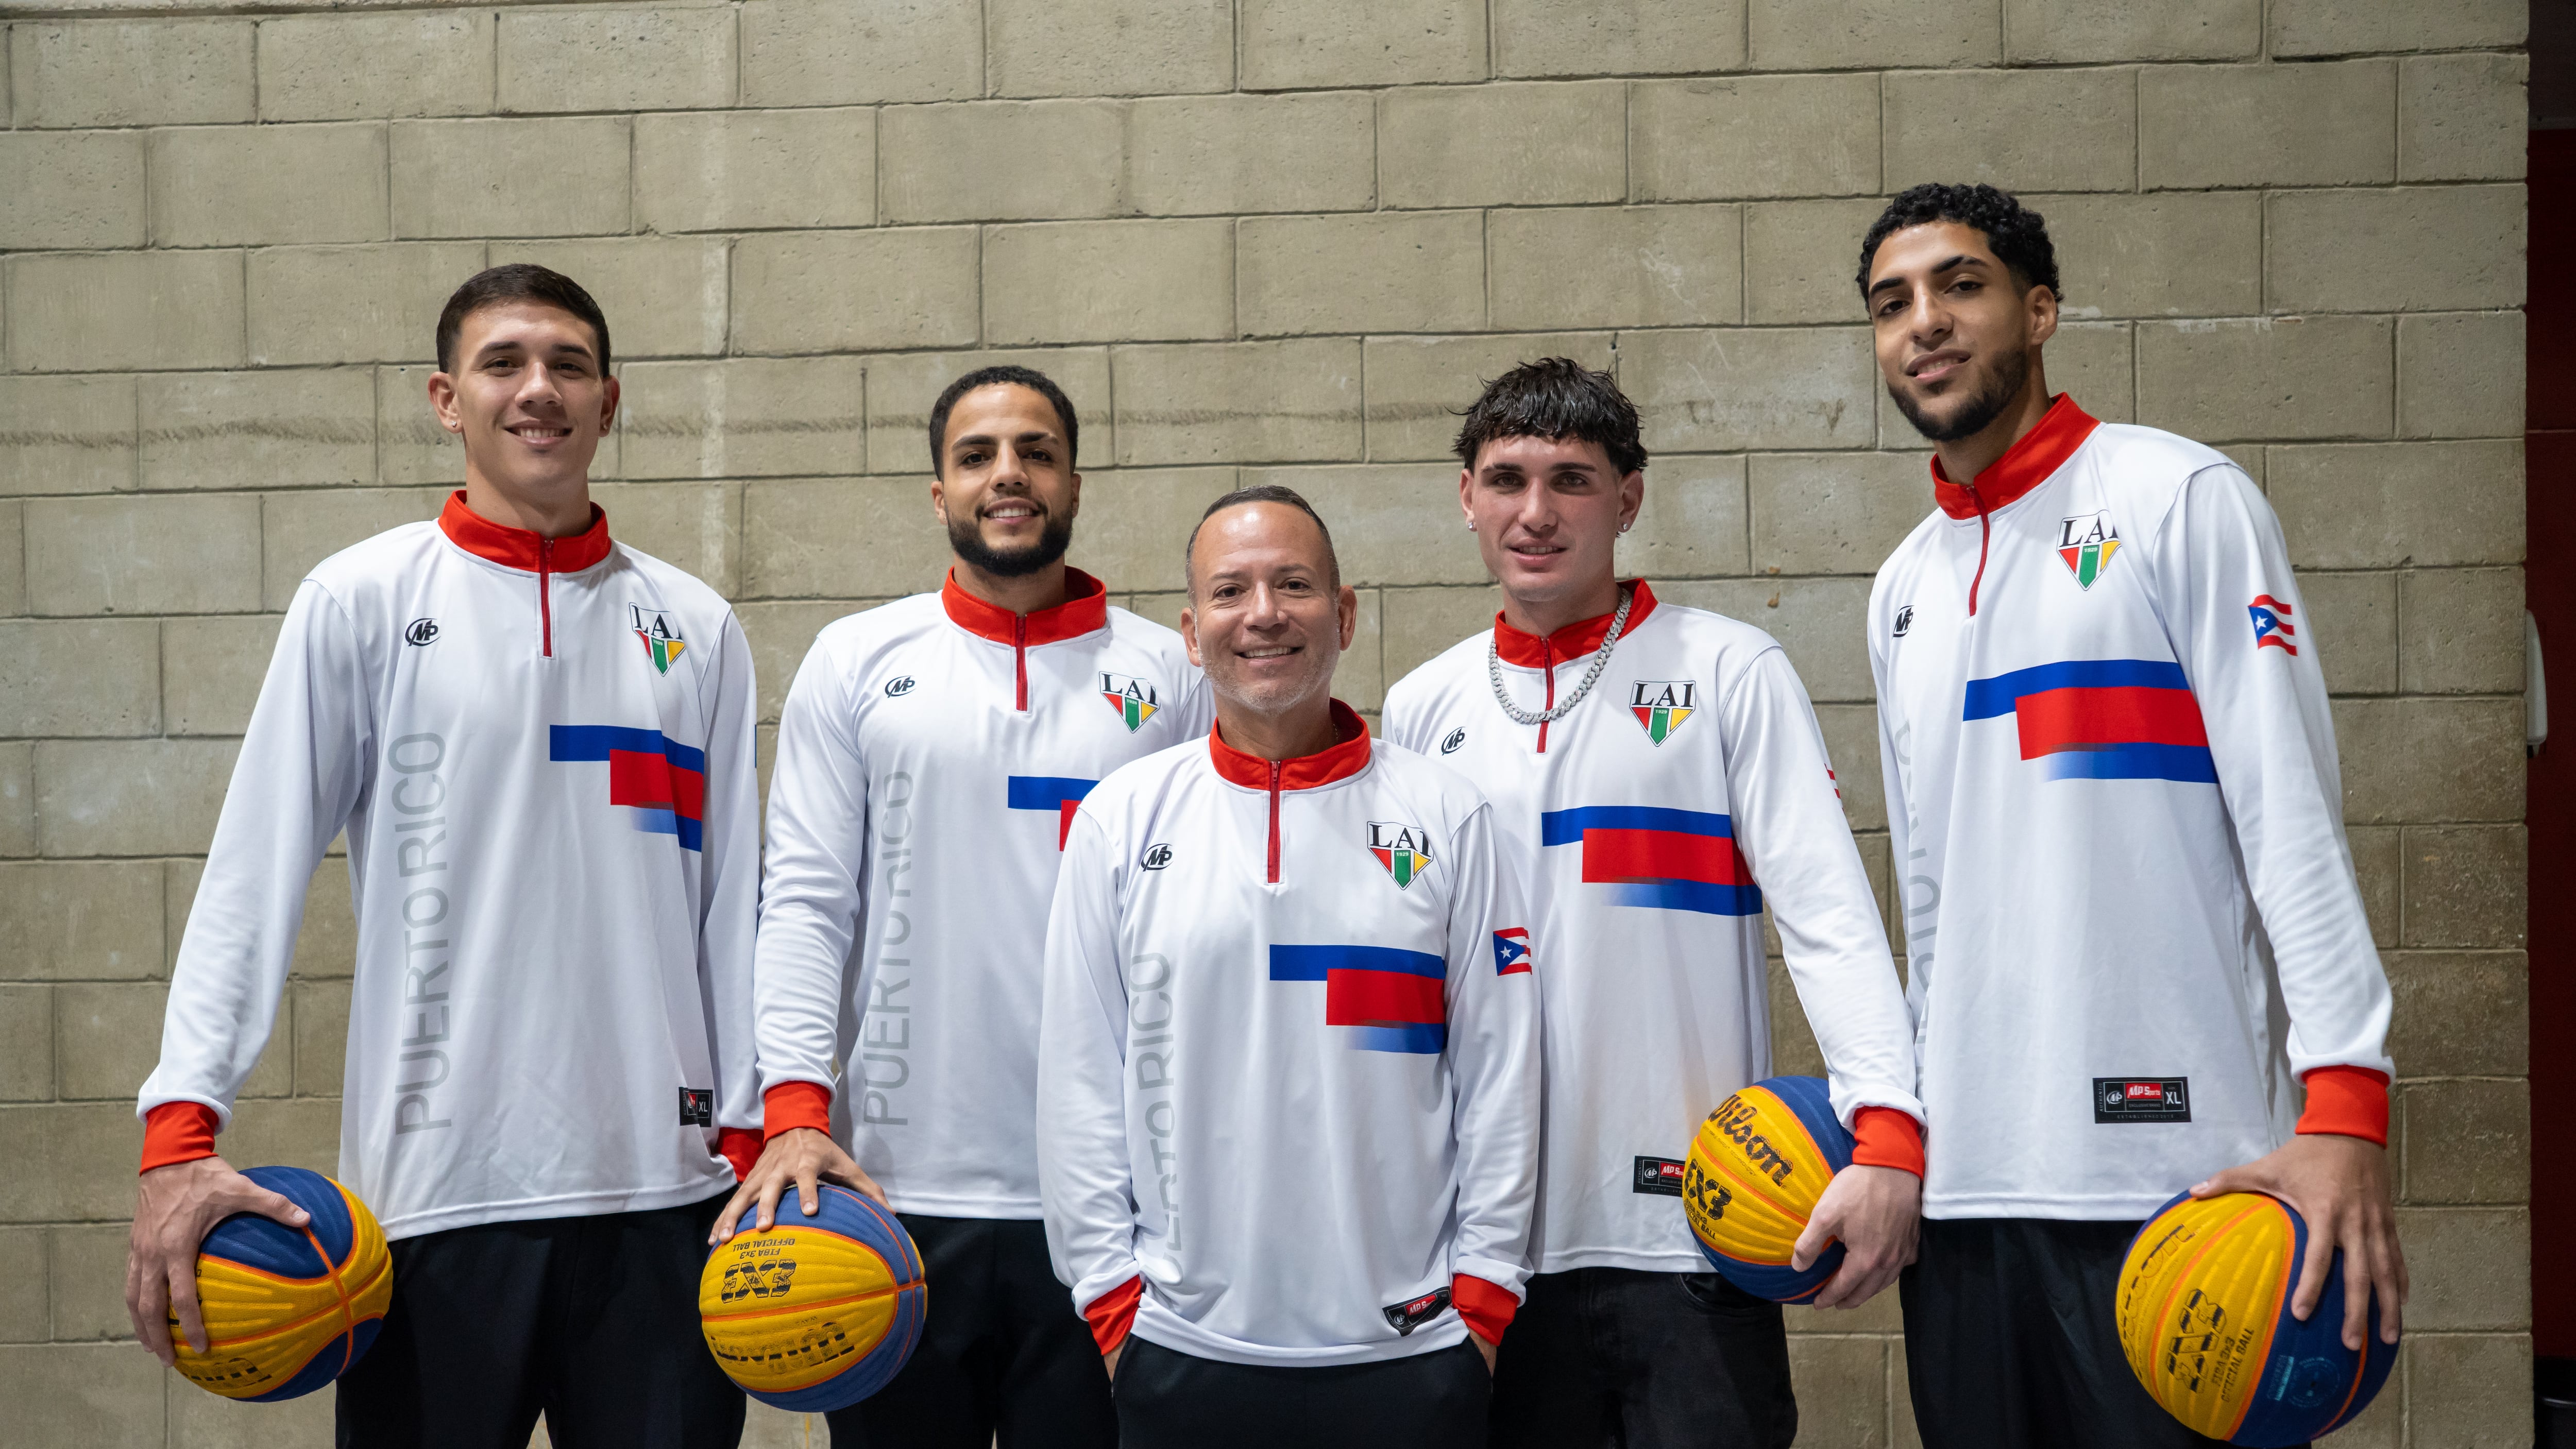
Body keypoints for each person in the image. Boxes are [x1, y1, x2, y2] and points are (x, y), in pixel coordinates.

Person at [125, 264, 761, 1448]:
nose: (539, 390)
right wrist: (181, 1129)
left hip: (669, 1205)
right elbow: (253, 875)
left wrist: (758, 1127)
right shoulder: (361, 599)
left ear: (609, 402)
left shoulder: (697, 624)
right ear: (445, 399)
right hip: (430, 1204)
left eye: (569, 365)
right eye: (503, 364)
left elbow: (735, 912)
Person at [1858, 183, 2406, 1449]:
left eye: (1961, 286)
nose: (1924, 324)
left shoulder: (2179, 498)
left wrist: (2344, 1104)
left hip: (2182, 1188)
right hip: (1969, 1199)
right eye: (1893, 305)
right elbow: (1929, 902)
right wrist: (1913, 1126)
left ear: (2038, 310)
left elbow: (2290, 812)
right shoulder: (1901, 588)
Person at [1381, 359, 1927, 1449]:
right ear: (1465, 498)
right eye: (1507, 480)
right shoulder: (1419, 706)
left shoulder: (1730, 669)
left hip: (1694, 1245)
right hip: (1490, 1255)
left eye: (1572, 481)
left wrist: (1890, 1135)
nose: (1535, 514)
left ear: (1627, 499)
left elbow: (1825, 916)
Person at [722, 365, 1209, 1448]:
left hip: (1105, 1203)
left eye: (1036, 452)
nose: (1009, 476)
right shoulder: (858, 659)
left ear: (1075, 481)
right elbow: (804, 900)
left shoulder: (1169, 674)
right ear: (937, 493)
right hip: (889, 1201)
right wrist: (795, 1115)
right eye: (977, 455)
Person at [1036, 486, 1540, 1448]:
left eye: (1294, 584)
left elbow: (1502, 1079)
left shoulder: (1449, 814)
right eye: (1231, 591)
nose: (1263, 613)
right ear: (1191, 633)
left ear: (1345, 615)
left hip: (1412, 1353)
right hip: (1181, 1352)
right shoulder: (1120, 818)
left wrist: (1478, 1303)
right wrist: (1111, 1304)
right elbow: (1078, 1084)